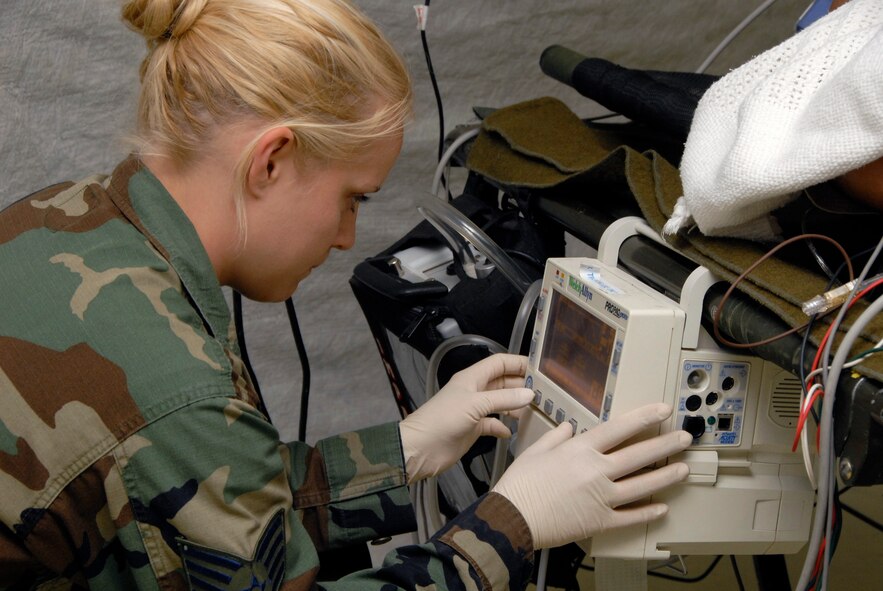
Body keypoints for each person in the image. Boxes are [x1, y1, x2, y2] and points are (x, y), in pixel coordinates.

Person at [0, 0, 691, 589]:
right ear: (271, 160)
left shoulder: (61, 216)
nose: (346, 235)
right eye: (351, 199)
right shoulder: (174, 392)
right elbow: (187, 443)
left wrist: (405, 448)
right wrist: (512, 524)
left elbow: (209, 496)